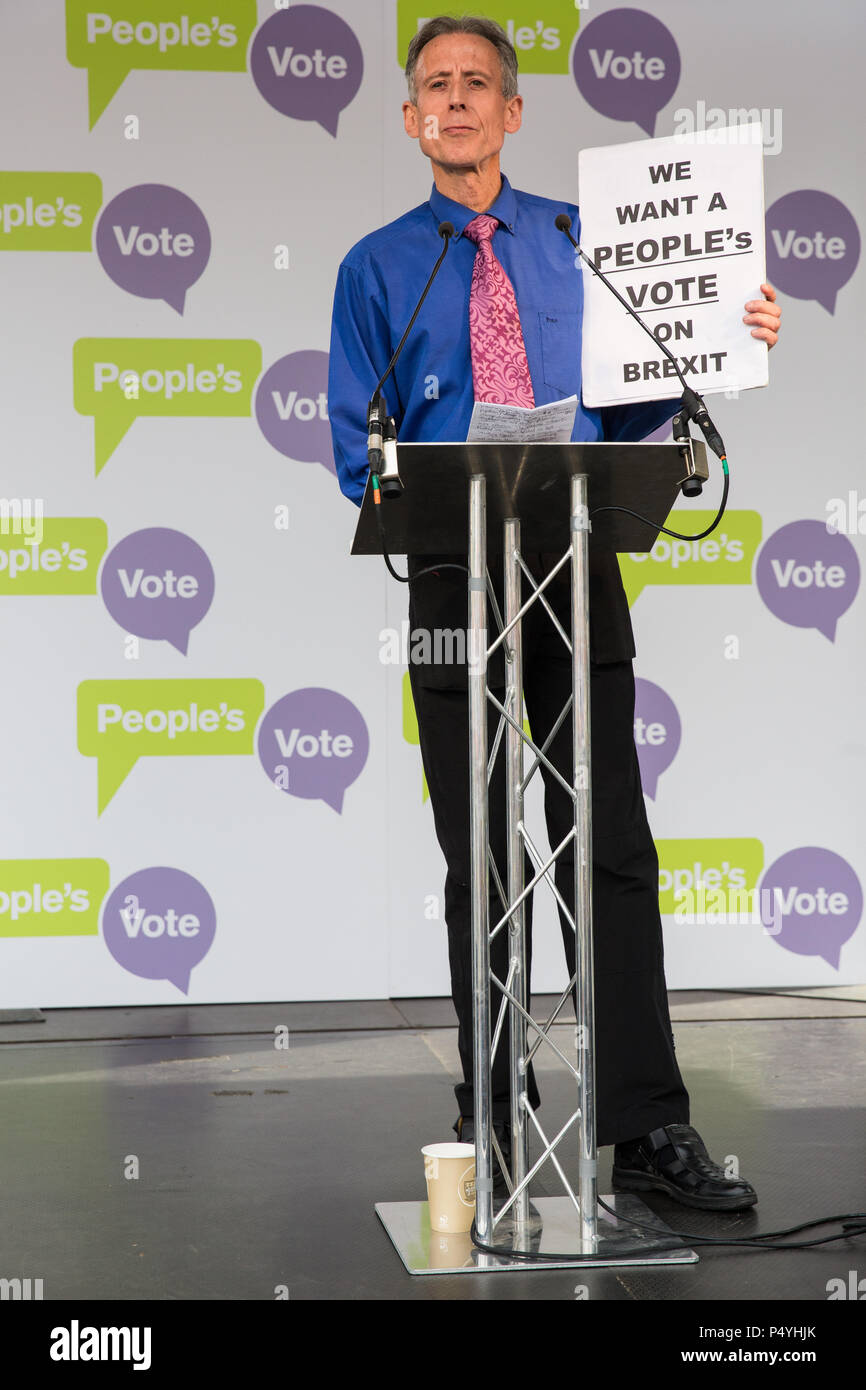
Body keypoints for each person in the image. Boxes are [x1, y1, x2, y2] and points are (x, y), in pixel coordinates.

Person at [328, 15, 781, 1211]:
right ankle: (491, 1110)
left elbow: (643, 405)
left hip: (572, 559)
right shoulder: (379, 266)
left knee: (608, 847)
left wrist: (728, 335)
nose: (459, 101)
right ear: (411, 117)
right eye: (437, 86)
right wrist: (392, 468)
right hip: (446, 571)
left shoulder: (587, 245)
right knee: (474, 850)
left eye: (479, 83)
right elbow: (354, 449)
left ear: (514, 112)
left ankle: (642, 1128)